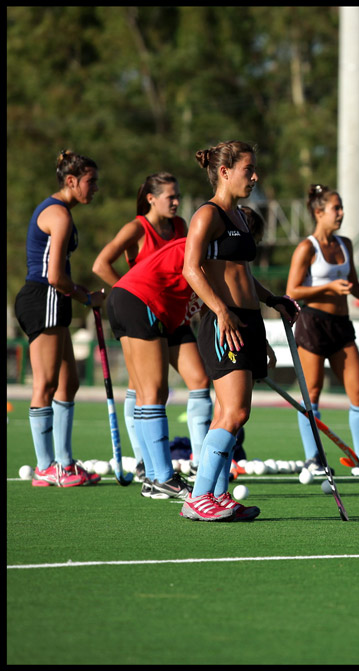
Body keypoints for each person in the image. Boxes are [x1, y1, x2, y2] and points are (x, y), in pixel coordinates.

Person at [181, 141, 299, 521]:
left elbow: (243, 274)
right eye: (248, 169)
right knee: (235, 411)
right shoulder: (207, 215)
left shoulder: (240, 218)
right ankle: (197, 499)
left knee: (228, 413)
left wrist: (272, 300)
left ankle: (216, 494)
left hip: (246, 321)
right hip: (223, 322)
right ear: (225, 172)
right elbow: (191, 269)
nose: (255, 176)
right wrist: (221, 312)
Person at [92, 172, 212, 496]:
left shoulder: (181, 227)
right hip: (143, 306)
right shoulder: (137, 228)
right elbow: (101, 264)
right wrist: (128, 287)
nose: (175, 201)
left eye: (177, 195)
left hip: (170, 312)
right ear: (151, 198)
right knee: (148, 390)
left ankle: (201, 463)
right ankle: (151, 468)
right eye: (169, 196)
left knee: (198, 380)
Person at [285, 184, 359, 477]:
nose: (341, 213)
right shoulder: (307, 247)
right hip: (312, 324)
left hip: (341, 326)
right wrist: (328, 287)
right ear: (318, 212)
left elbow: (354, 285)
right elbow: (292, 290)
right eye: (336, 208)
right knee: (312, 393)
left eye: (342, 207)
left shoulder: (345, 243)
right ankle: (314, 459)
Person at [15, 150, 105, 488]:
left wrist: (78, 292)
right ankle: (44, 467)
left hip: (52, 299)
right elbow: (54, 276)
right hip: (44, 298)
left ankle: (65, 464)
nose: (95, 188)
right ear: (71, 181)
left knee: (69, 384)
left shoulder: (60, 211)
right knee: (47, 384)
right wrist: (86, 297)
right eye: (90, 182)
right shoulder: (59, 215)